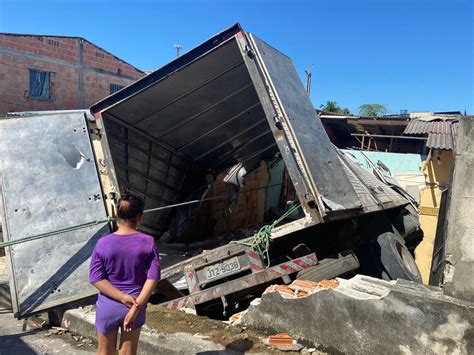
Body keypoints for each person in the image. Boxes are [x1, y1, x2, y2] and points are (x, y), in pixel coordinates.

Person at [89, 194, 160, 355]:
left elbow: (96, 278)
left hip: (108, 305)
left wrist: (121, 297)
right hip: (136, 303)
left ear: (116, 215)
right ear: (140, 217)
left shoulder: (103, 243)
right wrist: (136, 306)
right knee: (128, 352)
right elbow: (153, 277)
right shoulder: (148, 242)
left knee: (104, 351)